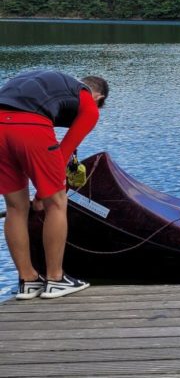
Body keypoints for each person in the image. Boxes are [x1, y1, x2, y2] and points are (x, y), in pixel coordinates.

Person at [0, 69, 108, 300]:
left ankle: (27, 280)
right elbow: (64, 150)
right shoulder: (88, 102)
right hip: (30, 127)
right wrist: (42, 194)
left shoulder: (47, 81)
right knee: (57, 203)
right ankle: (56, 279)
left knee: (15, 208)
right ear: (99, 97)